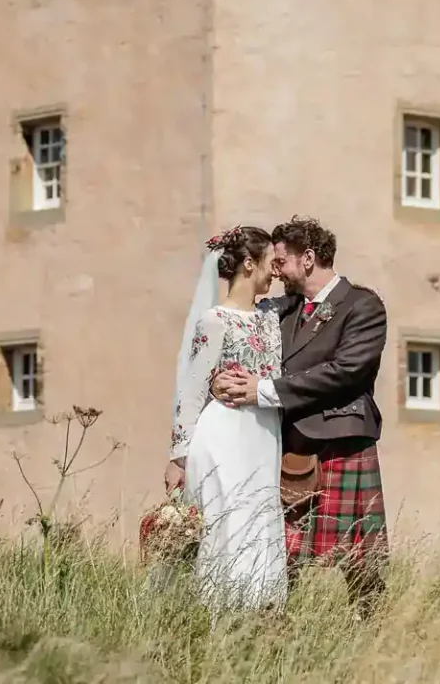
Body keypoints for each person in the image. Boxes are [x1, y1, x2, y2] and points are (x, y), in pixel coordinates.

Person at [213, 215, 389, 615]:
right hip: (291, 446)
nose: (277, 271)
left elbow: (346, 372)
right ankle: (278, 639)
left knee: (362, 565)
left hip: (341, 443)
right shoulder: (283, 309)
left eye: (282, 260)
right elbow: (237, 322)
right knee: (281, 556)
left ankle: (376, 637)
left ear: (308, 258)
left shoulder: (363, 306)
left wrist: (264, 389)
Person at [165, 225, 286, 610]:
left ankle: (261, 614)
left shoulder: (272, 316)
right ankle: (219, 614)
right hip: (223, 435)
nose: (276, 272)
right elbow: (192, 389)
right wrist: (178, 458)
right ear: (249, 264)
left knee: (260, 519)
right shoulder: (214, 320)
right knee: (227, 521)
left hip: (263, 435)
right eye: (271, 263)